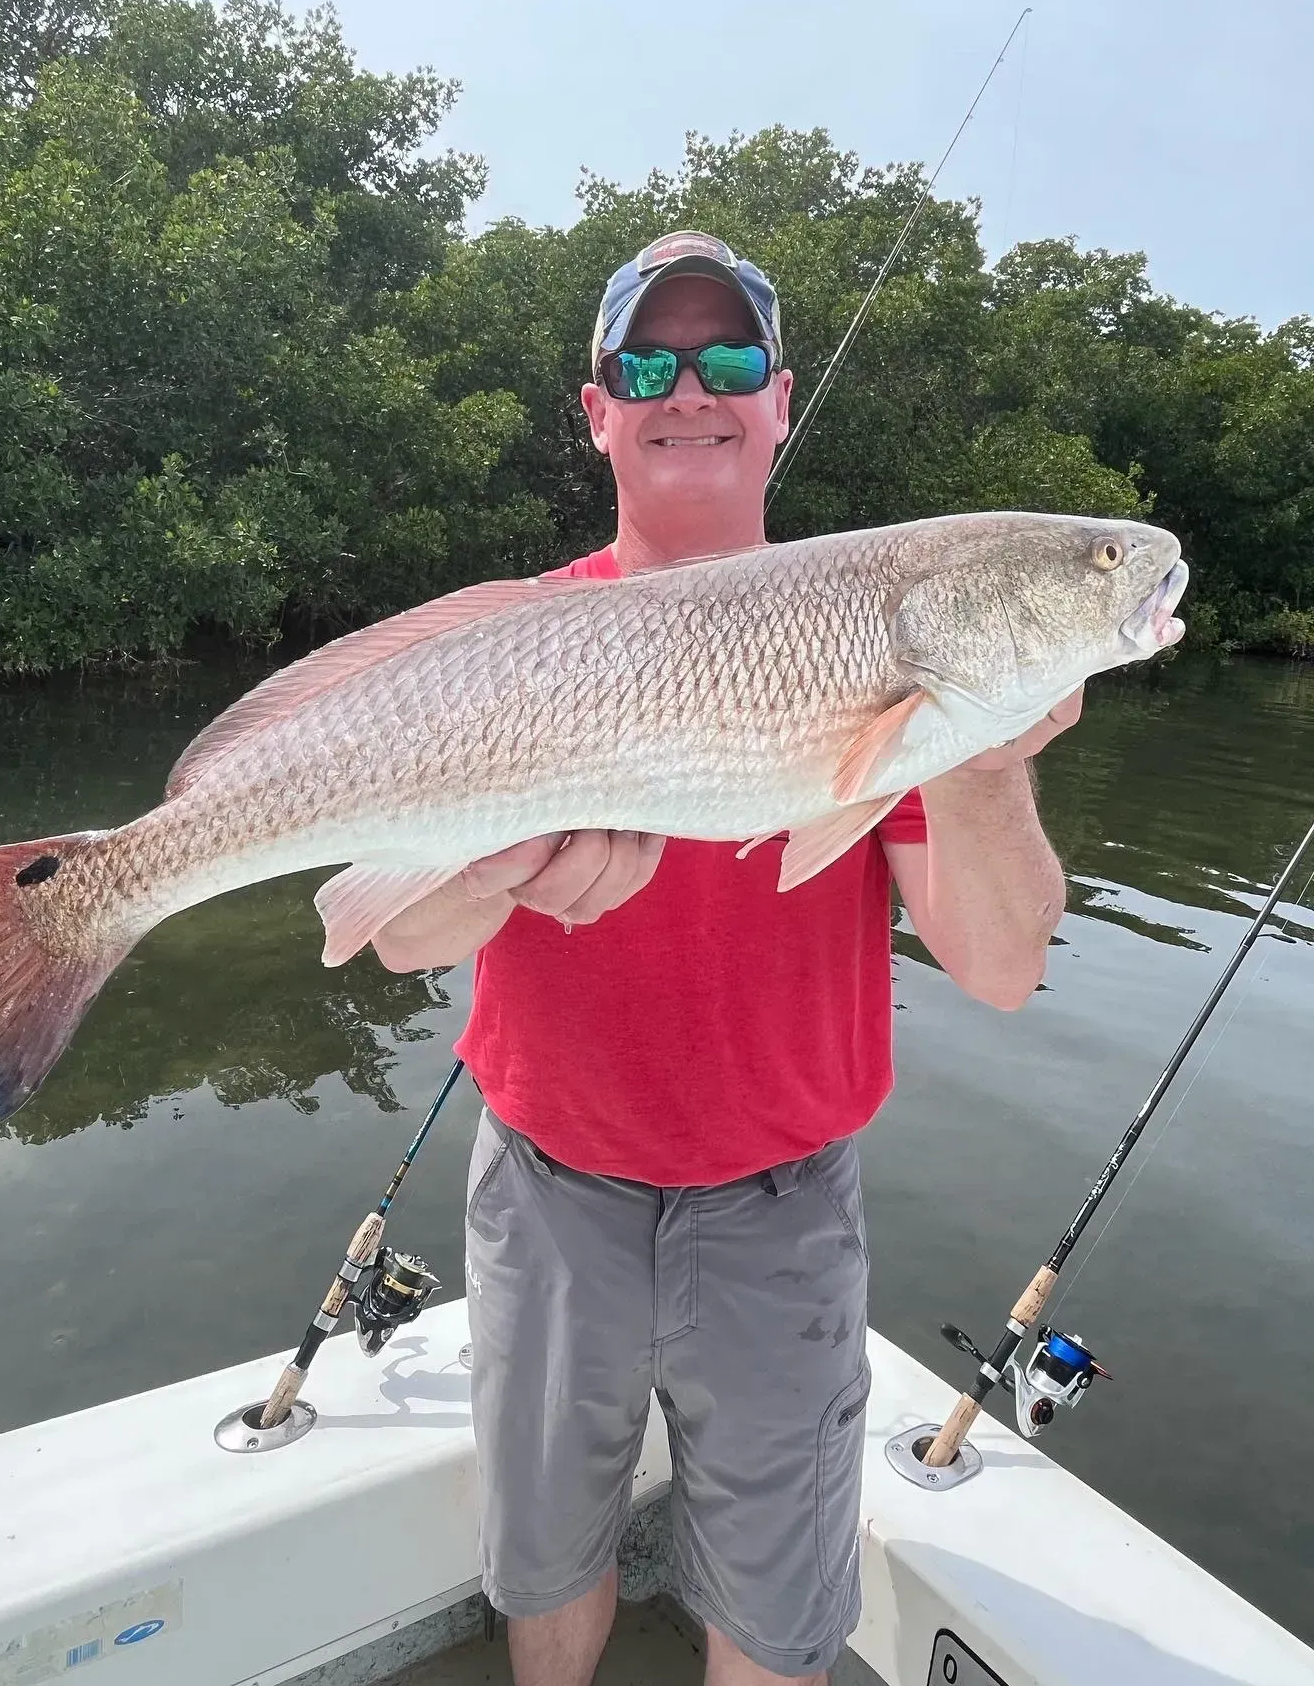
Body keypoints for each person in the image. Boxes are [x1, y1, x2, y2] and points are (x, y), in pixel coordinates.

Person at [373, 230, 1076, 1686]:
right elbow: (396, 937)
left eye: (731, 360)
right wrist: (505, 879)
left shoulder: (884, 639)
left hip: (781, 1209)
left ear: (781, 402)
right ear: (597, 409)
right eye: (649, 361)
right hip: (546, 1180)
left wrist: (985, 763)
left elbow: (1003, 969)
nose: (689, 388)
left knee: (775, 1607)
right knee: (546, 1549)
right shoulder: (517, 639)